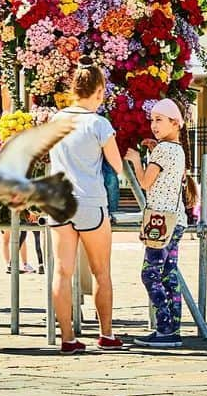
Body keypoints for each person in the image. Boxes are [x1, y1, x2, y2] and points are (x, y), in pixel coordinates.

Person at [48, 61, 126, 353]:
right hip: (90, 201)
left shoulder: (56, 120)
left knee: (62, 272)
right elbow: (116, 166)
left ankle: (68, 338)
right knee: (101, 271)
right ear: (99, 91)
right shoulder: (99, 123)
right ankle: (106, 334)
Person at [126, 98, 193, 350]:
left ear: (175, 122)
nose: (153, 125)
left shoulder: (163, 150)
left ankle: (164, 328)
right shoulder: (176, 149)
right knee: (169, 274)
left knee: (150, 273)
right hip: (176, 220)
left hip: (160, 221)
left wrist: (134, 159)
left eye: (159, 120)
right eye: (152, 120)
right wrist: (154, 149)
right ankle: (172, 329)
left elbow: (145, 182)